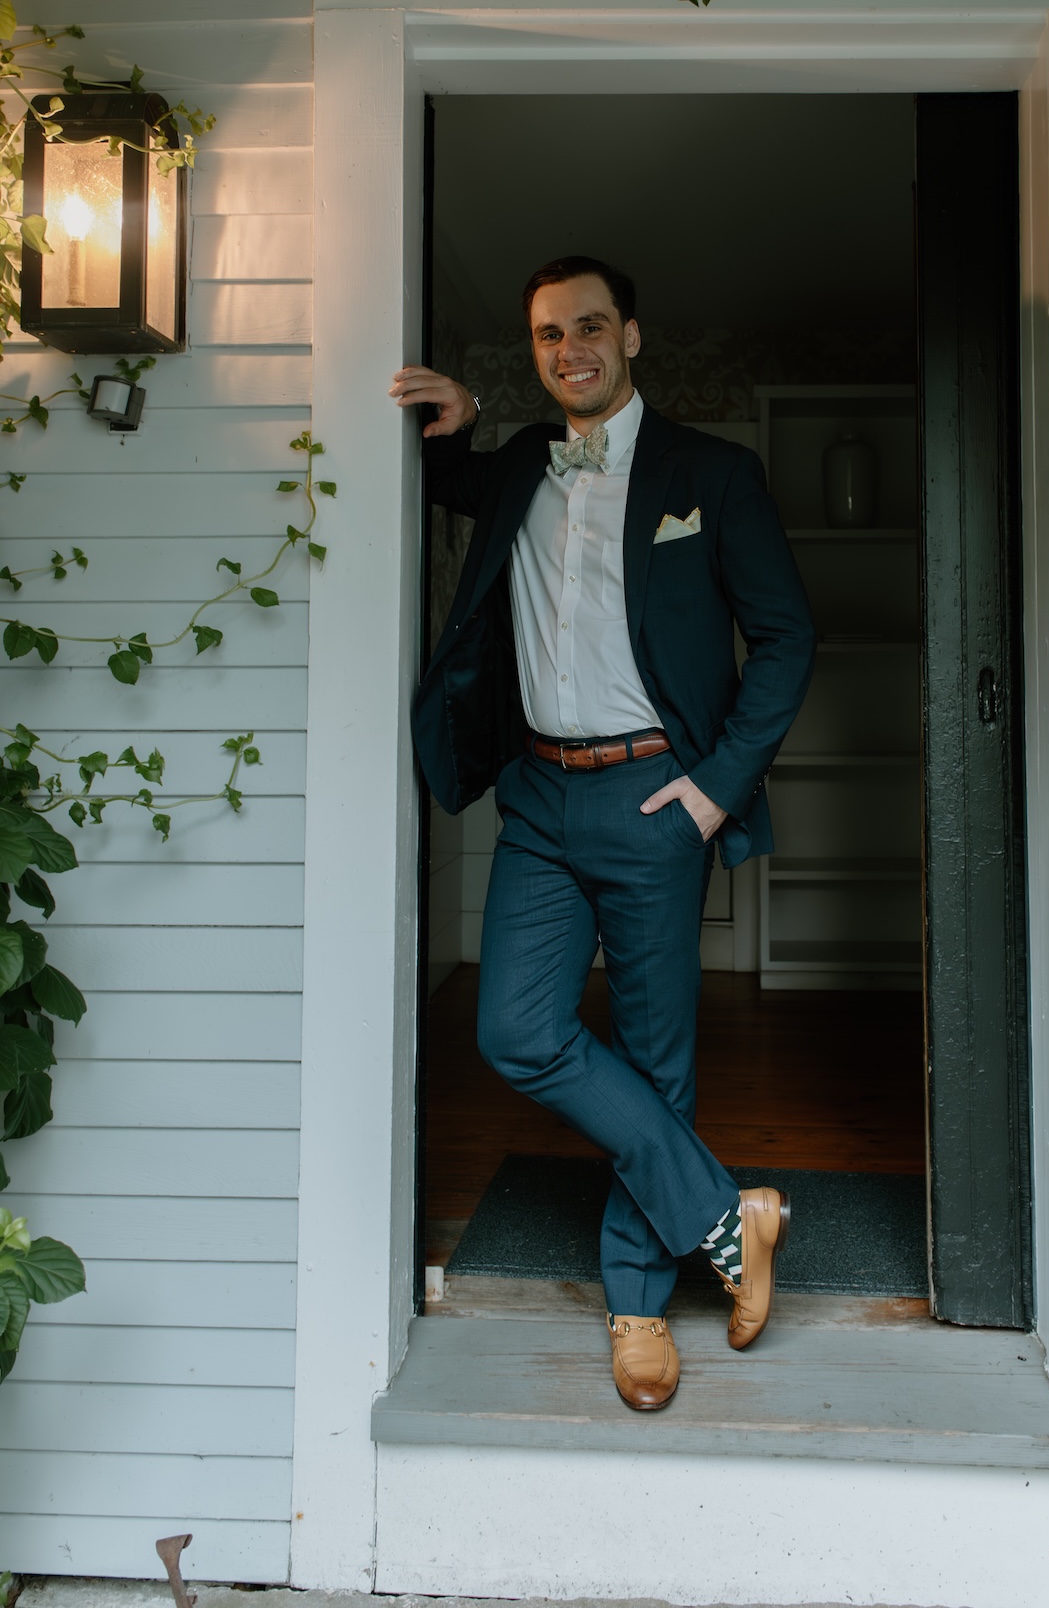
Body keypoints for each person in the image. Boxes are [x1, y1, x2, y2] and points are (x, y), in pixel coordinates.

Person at [390, 254, 815, 1412]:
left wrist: (714, 788)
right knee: (516, 1030)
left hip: (653, 800)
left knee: (652, 1054)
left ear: (631, 335)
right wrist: (462, 422)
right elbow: (449, 478)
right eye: (544, 335)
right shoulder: (524, 462)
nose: (566, 349)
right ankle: (728, 1215)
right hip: (535, 797)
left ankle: (636, 1308)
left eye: (587, 328)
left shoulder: (711, 476)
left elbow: (784, 640)